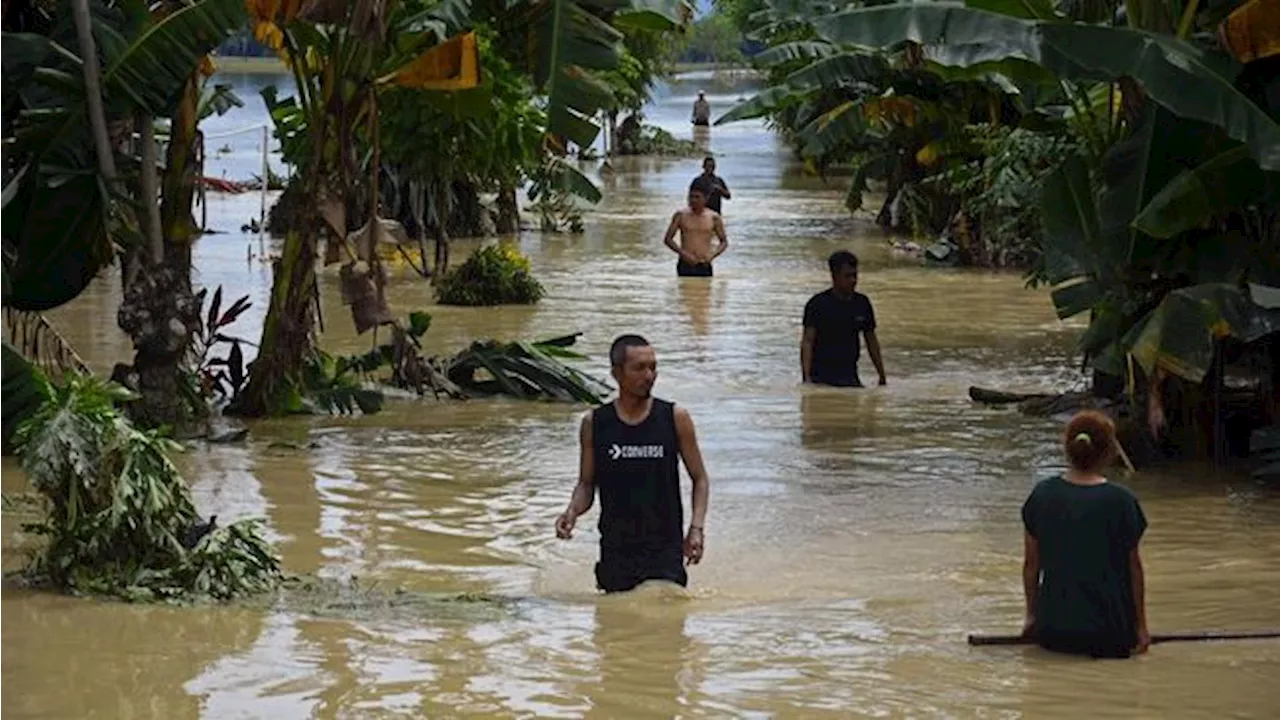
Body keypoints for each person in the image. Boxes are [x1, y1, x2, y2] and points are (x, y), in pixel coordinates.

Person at [555, 335, 711, 594]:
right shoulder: (595, 423)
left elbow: (700, 479)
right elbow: (586, 483)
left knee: (665, 621)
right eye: (639, 368)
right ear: (616, 373)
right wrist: (572, 512)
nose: (649, 375)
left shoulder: (674, 418)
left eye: (653, 367)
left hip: (665, 549)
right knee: (617, 628)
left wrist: (696, 528)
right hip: (617, 549)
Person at [1020, 410, 1151, 659]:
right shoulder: (1121, 501)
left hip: (1054, 631)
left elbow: (1031, 566)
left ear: (1067, 449)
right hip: (1111, 632)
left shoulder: (1042, 495)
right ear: (1109, 452)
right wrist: (1141, 627)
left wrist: (1032, 617)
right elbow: (1135, 569)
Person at [801, 251, 886, 387]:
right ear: (834, 276)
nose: (853, 280)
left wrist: (882, 376)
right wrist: (806, 379)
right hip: (820, 378)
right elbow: (807, 342)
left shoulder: (862, 303)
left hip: (850, 377)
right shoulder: (817, 304)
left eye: (855, 275)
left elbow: (871, 341)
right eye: (847, 276)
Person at [663, 186, 728, 277]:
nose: (693, 200)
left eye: (697, 197)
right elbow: (668, 239)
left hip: (705, 263)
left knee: (705, 290)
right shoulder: (680, 215)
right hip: (685, 263)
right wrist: (683, 253)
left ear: (705, 199)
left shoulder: (714, 217)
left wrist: (712, 255)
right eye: (691, 197)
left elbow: (724, 242)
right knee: (685, 289)